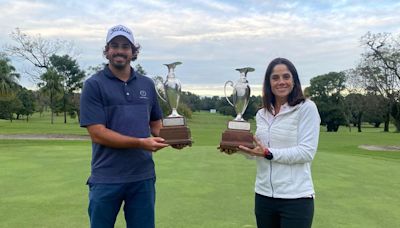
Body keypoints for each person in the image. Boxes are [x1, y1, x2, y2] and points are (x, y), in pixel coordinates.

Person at [80, 24, 170, 228]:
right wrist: (140, 143)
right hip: (106, 178)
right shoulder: (94, 85)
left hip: (142, 177)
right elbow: (98, 133)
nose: (120, 51)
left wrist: (174, 139)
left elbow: (155, 123)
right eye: (114, 45)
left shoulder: (147, 84)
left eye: (125, 46)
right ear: (107, 50)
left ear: (133, 51)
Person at [238, 57, 321, 228]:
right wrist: (238, 149)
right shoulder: (262, 113)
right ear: (268, 83)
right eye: (275, 78)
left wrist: (269, 154)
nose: (281, 82)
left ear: (294, 80)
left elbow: (306, 152)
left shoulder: (306, 108)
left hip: (296, 199)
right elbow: (257, 153)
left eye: (286, 76)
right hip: (263, 196)